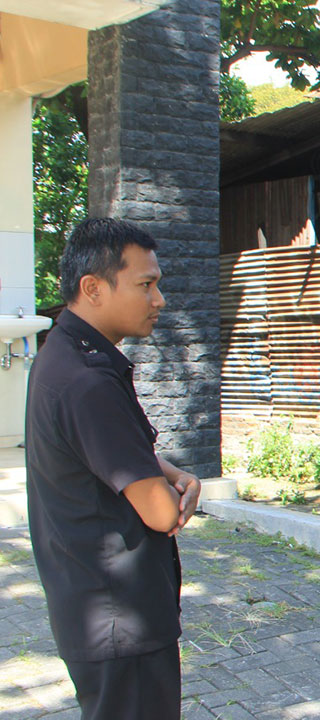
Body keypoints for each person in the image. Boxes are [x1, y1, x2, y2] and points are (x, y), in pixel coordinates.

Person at [26, 217, 201, 720]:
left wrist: (166, 469)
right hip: (118, 617)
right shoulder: (87, 381)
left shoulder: (63, 354)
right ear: (93, 288)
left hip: (90, 602)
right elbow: (162, 514)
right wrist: (182, 494)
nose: (159, 299)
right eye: (146, 285)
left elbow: (108, 450)